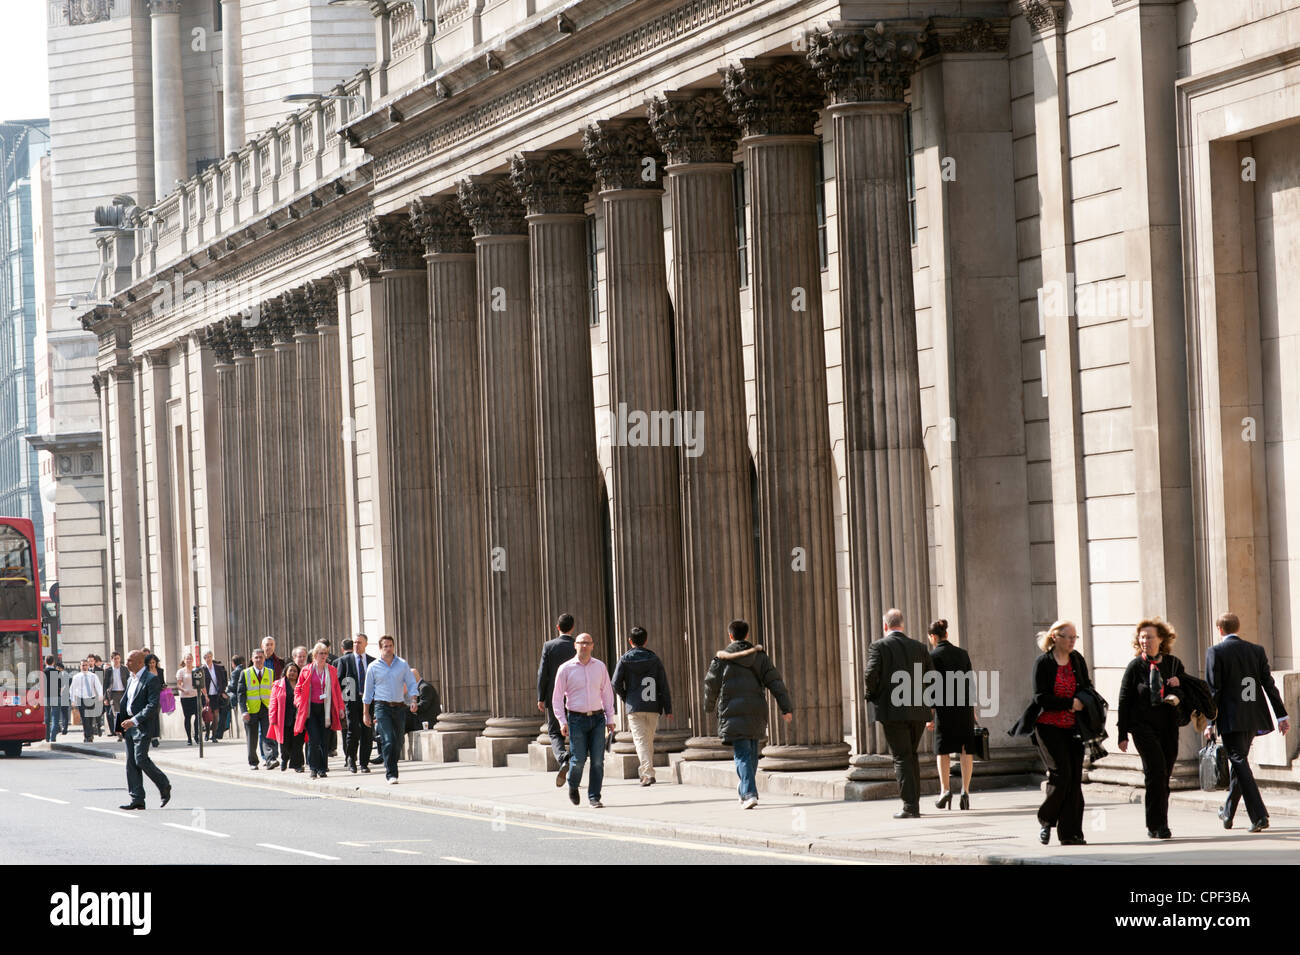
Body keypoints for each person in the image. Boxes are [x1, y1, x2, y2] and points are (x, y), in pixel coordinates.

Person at [1205, 611, 1290, 833]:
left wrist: (1209, 723)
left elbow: (1214, 690)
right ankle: (1228, 812)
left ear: (1220, 629)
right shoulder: (1256, 650)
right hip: (1253, 716)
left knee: (1239, 762)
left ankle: (1259, 815)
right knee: (1240, 763)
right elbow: (1268, 685)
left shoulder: (1215, 652)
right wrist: (1282, 715)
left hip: (1230, 718)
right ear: (1237, 628)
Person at [701, 620, 793, 810]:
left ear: (731, 636)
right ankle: (745, 786)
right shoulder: (759, 657)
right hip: (755, 710)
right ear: (747, 635)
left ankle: (749, 793)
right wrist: (786, 708)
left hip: (731, 711)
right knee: (750, 752)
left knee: (743, 753)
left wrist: (709, 706)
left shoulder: (721, 660)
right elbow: (776, 682)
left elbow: (711, 684)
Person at [1117, 617, 1185, 840]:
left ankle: (1158, 821)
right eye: (1142, 637)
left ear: (1161, 639)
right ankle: (1158, 825)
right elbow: (1124, 699)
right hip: (1142, 727)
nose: (1145, 640)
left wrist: (1177, 690)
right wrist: (1122, 733)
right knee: (1155, 771)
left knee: (1164, 775)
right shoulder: (1135, 666)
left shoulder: (1173, 663)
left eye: (1149, 637)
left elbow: (1187, 691)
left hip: (1168, 726)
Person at [864, 609, 933, 819]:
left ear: (885, 626)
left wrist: (872, 695)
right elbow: (931, 677)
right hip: (918, 711)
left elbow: (870, 674)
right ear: (902, 625)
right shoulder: (920, 647)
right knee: (911, 755)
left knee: (902, 757)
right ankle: (915, 804)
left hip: (893, 711)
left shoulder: (879, 646)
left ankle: (910, 807)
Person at [1027, 620, 1091, 846]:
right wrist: (1069, 703)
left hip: (1074, 727)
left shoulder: (1077, 660)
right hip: (1048, 727)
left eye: (1075, 637)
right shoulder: (1043, 663)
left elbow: (1086, 685)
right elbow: (1040, 697)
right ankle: (1046, 821)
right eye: (1069, 637)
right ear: (1055, 637)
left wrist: (1084, 701)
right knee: (1060, 774)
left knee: (1074, 779)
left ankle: (1071, 833)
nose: (1073, 641)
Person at [552, 632, 617, 808]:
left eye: (588, 643)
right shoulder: (565, 668)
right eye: (581, 643)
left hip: (597, 718)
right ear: (575, 645)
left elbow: (607, 694)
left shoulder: (600, 667)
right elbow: (557, 698)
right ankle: (573, 785)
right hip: (576, 719)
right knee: (578, 760)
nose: (584, 646)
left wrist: (610, 718)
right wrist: (561, 721)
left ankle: (594, 797)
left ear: (593, 645)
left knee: (597, 760)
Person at [926, 618, 977, 810]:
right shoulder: (962, 654)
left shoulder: (933, 656)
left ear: (933, 637)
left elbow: (931, 688)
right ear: (946, 634)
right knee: (965, 749)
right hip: (963, 708)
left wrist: (929, 715)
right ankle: (965, 791)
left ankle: (945, 790)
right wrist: (973, 712)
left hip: (944, 709)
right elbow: (970, 684)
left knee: (943, 750)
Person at [611, 626, 672, 786]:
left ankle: (647, 773)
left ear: (630, 641)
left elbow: (615, 683)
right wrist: (668, 708)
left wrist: (626, 697)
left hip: (635, 706)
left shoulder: (624, 659)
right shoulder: (654, 659)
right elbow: (663, 684)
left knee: (640, 741)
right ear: (646, 640)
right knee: (648, 741)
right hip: (653, 705)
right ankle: (647, 771)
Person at [115, 649, 172, 811]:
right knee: (131, 763)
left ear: (140, 662)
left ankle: (164, 785)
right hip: (129, 727)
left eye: (130, 660)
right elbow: (126, 703)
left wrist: (134, 720)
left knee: (140, 759)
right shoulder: (131, 679)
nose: (127, 663)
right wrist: (120, 725)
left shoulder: (151, 679)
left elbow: (153, 705)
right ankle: (137, 798)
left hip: (142, 726)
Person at [362, 635, 419, 784]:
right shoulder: (373, 667)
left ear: (394, 647)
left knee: (398, 741)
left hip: (399, 707)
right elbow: (368, 693)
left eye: (390, 646)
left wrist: (413, 700)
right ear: (380, 648)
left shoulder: (402, 664)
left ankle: (391, 764)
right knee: (388, 740)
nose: (388, 649)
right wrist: (366, 713)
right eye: (385, 646)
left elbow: (412, 683)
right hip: (382, 707)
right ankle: (391, 773)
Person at [537, 612, 578, 786]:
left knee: (554, 732)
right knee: (576, 731)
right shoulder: (578, 645)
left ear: (558, 627)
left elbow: (543, 674)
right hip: (576, 695)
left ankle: (563, 757)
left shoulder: (549, 646)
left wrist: (541, 697)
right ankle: (574, 763)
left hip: (555, 695)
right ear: (573, 627)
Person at [294, 642, 345, 779]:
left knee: (324, 740)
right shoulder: (306, 670)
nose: (324, 656)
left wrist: (340, 708)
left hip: (326, 709)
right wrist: (299, 702)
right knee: (313, 740)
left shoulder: (332, 670)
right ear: (315, 655)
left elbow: (336, 690)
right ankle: (313, 767)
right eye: (321, 653)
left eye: (326, 654)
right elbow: (298, 689)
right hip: (311, 709)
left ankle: (323, 768)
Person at [337, 633, 374, 774]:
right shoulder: (345, 660)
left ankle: (364, 763)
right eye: (354, 642)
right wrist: (343, 701)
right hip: (352, 700)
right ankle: (351, 760)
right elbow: (339, 682)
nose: (356, 645)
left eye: (359, 642)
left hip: (368, 701)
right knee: (353, 731)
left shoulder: (372, 661)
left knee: (367, 732)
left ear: (365, 644)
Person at [237, 647, 279, 770]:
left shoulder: (270, 672)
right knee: (252, 737)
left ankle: (270, 759)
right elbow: (241, 694)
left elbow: (274, 692)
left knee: (268, 735)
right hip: (251, 710)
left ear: (264, 659)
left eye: (261, 657)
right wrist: (244, 710)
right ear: (252, 659)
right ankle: (253, 762)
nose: (259, 660)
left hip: (266, 708)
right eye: (256, 657)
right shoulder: (245, 673)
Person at [268, 662, 305, 773]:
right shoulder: (278, 684)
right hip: (283, 719)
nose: (293, 673)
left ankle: (297, 765)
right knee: (285, 743)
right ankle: (285, 758)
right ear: (286, 672)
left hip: (299, 719)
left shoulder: (302, 684)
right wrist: (272, 718)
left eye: (295, 671)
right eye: (291, 670)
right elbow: (273, 702)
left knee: (298, 743)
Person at [69, 658, 103, 743]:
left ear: (88, 666)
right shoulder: (76, 677)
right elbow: (72, 689)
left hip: (91, 698)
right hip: (81, 699)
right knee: (85, 719)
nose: (84, 667)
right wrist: (72, 700)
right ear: (80, 666)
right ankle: (87, 736)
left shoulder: (93, 676)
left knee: (90, 719)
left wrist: (100, 695)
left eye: (86, 665)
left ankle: (90, 734)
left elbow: (98, 686)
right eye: (82, 665)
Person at [201, 652, 228, 742]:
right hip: (206, 695)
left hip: (216, 695)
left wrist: (222, 691)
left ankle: (214, 735)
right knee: (207, 715)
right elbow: (201, 684)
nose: (208, 659)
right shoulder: (202, 669)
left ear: (212, 657)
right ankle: (207, 733)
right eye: (206, 657)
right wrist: (205, 695)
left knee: (216, 715)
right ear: (204, 659)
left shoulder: (218, 668)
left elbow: (223, 680)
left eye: (209, 657)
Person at [176, 653, 199, 745]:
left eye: (190, 659)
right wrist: (183, 689)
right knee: (187, 717)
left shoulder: (196, 669)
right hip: (185, 697)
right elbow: (178, 684)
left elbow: (201, 683)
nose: (189, 660)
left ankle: (196, 735)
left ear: (192, 660)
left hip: (196, 696)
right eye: (187, 659)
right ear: (184, 660)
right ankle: (189, 738)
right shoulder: (181, 671)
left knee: (198, 716)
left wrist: (205, 695)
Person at [42, 655, 62, 742]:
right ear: (53, 662)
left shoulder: (43, 672)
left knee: (46, 718)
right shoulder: (57, 672)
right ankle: (53, 737)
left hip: (45, 697)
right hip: (55, 696)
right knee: (55, 718)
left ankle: (46, 737)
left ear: (45, 662)